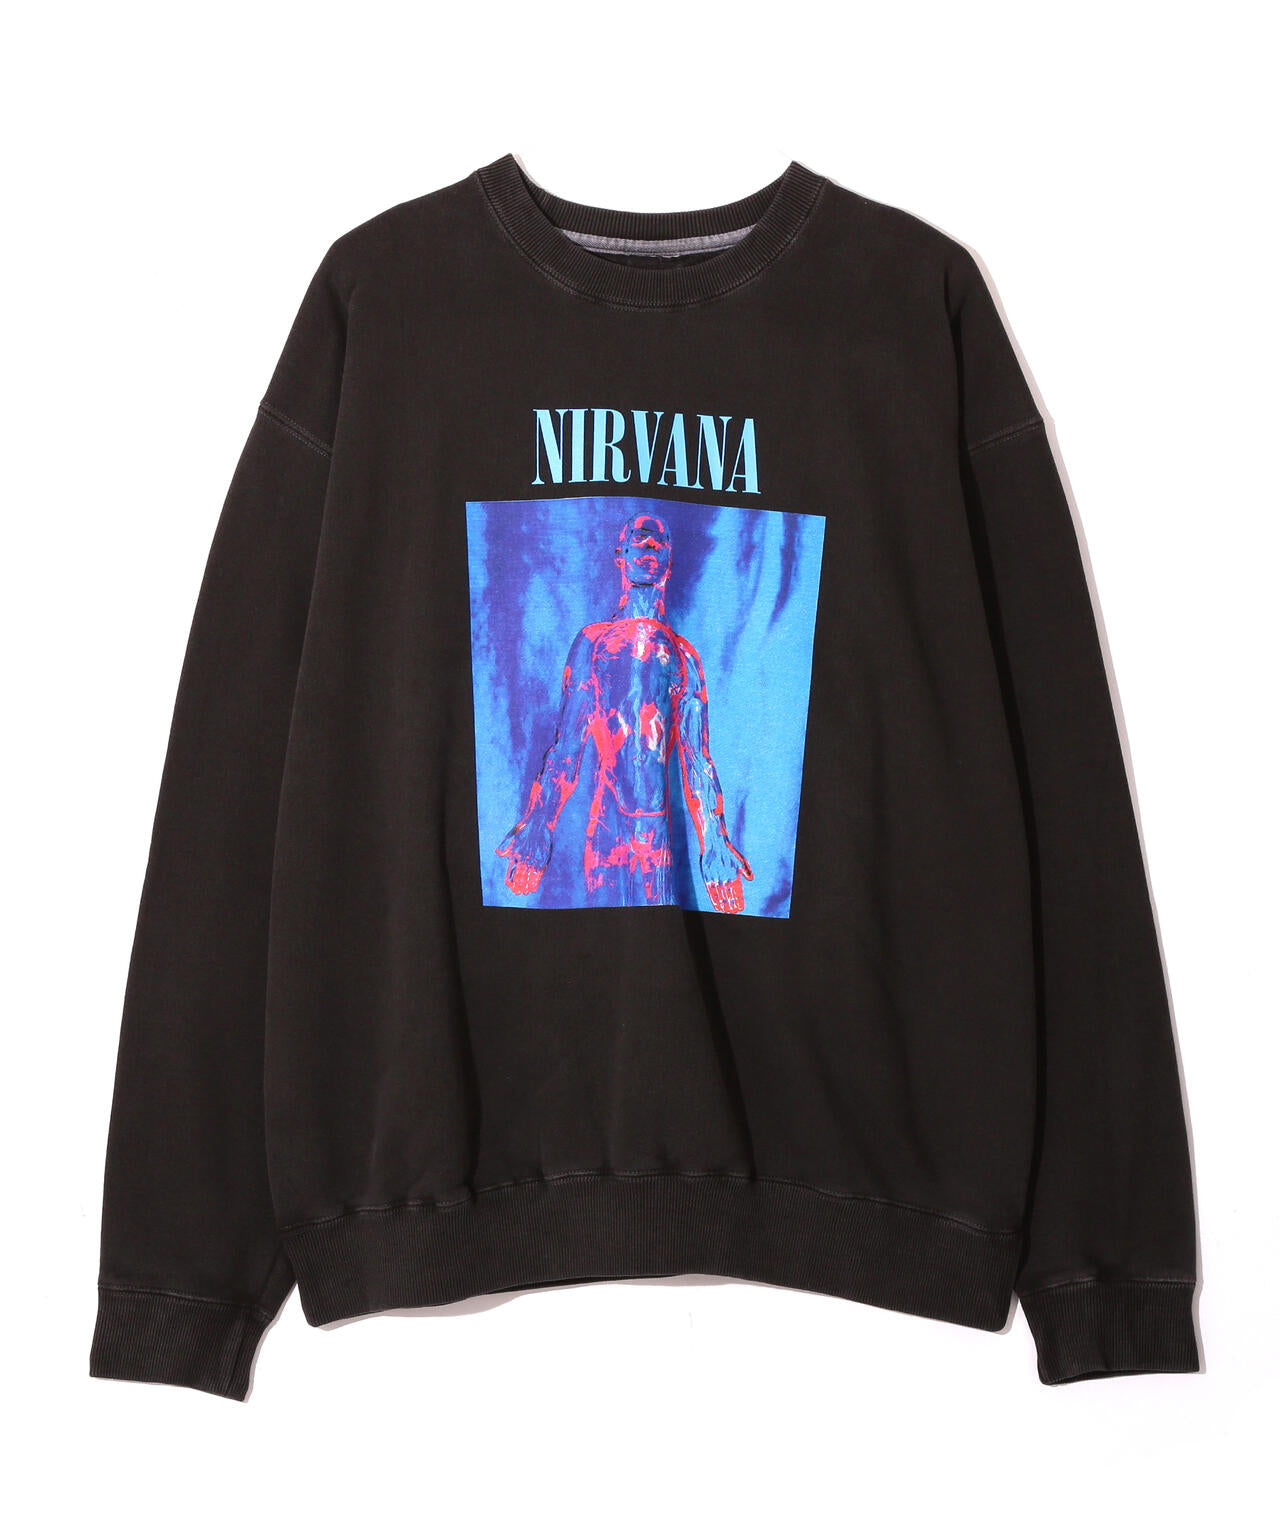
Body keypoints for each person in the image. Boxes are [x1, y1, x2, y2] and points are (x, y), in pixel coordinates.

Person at [497, 513, 753, 911]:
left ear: (669, 559)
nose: (649, 547)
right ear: (621, 554)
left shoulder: (684, 656)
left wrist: (715, 842)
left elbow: (697, 762)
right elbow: (566, 749)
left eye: (658, 543)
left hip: (657, 836)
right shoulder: (593, 642)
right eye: (641, 539)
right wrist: (538, 824)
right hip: (607, 829)